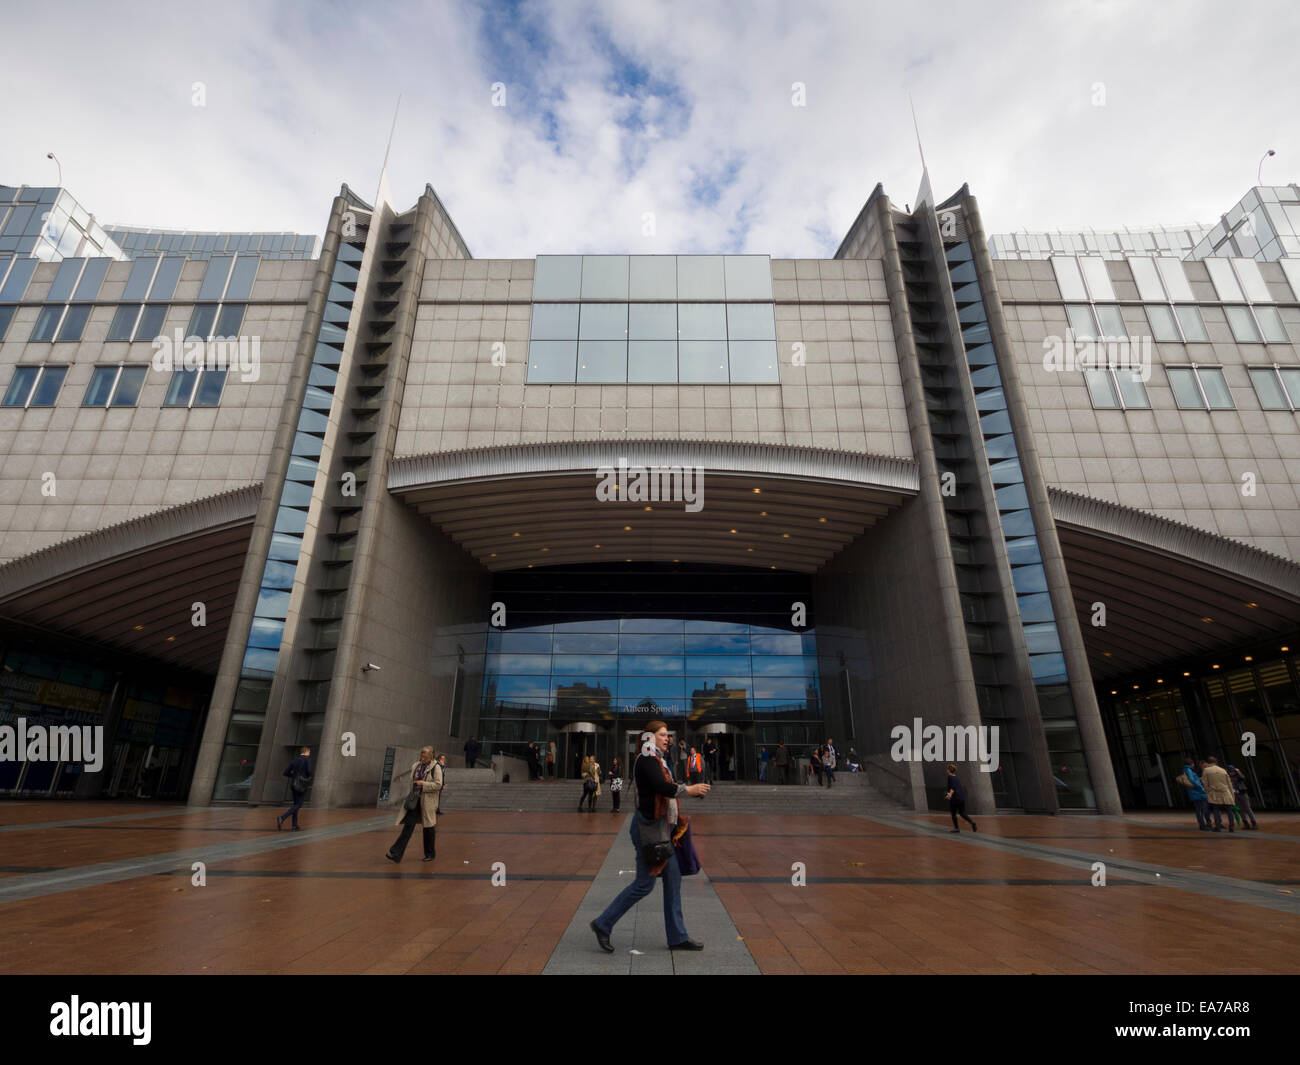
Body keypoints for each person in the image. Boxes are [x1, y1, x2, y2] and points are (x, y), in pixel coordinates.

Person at [590, 721, 711, 954]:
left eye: (668, 735)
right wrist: (689, 789)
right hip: (650, 831)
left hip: (663, 829)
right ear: (649, 737)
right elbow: (660, 786)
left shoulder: (659, 759)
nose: (668, 738)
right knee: (644, 885)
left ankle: (677, 936)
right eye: (663, 735)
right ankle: (603, 924)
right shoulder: (646, 760)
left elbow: (665, 787)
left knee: (673, 880)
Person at [386, 746, 443, 862]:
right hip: (415, 800)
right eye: (421, 756)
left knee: (428, 828)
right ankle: (396, 853)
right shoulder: (416, 766)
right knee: (408, 826)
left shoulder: (436, 768)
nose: (422, 758)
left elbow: (438, 785)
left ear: (431, 756)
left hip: (427, 802)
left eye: (425, 757)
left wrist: (424, 784)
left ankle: (430, 853)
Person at [277, 746, 312, 831]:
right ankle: (282, 817)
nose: (309, 754)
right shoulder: (307, 759)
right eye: (309, 752)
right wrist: (308, 777)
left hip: (294, 784)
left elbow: (285, 772)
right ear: (306, 751)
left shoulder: (294, 761)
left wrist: (294, 776)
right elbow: (309, 771)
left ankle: (294, 825)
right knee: (298, 804)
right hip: (301, 785)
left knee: (295, 804)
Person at [1201, 757, 1236, 833]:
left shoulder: (1206, 770)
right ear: (1216, 762)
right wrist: (1232, 796)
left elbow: (1205, 783)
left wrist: (1208, 792)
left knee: (1216, 810)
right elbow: (1229, 784)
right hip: (1225, 792)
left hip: (1214, 793)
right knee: (1229, 811)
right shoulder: (1223, 770)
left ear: (1208, 762)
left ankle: (1218, 827)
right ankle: (1232, 827)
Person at [945, 762, 977, 833]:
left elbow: (952, 788)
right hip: (961, 798)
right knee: (962, 813)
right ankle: (972, 822)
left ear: (949, 770)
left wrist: (949, 794)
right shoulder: (956, 777)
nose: (947, 770)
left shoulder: (950, 777)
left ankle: (956, 828)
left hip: (955, 798)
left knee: (953, 814)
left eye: (947, 769)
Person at [1179, 757, 1210, 830]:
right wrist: (1200, 787)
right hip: (1197, 792)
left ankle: (1203, 824)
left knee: (1200, 809)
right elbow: (1192, 780)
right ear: (1191, 763)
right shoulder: (1189, 770)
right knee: (1201, 809)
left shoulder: (1186, 770)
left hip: (1194, 793)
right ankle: (1203, 825)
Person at [1227, 764, 1258, 829]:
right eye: (1230, 771)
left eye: (1233, 771)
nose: (1232, 772)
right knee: (1240, 810)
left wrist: (1238, 771)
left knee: (1248, 809)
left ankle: (1254, 823)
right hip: (1235, 795)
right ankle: (1246, 823)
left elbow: (1242, 777)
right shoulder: (1228, 778)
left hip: (1242, 794)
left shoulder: (1238, 776)